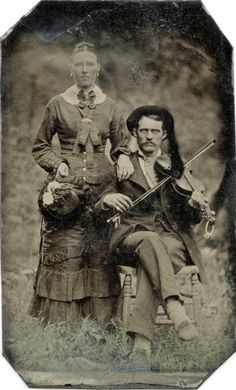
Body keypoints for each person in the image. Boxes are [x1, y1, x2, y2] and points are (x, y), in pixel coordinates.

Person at [94, 105, 209, 369]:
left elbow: (189, 219)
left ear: (164, 135)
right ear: (134, 131)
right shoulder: (122, 163)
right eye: (143, 130)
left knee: (156, 256)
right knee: (150, 241)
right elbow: (97, 205)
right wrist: (107, 199)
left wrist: (194, 205)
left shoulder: (175, 167)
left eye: (154, 131)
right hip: (131, 236)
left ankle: (141, 347)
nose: (148, 136)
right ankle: (175, 307)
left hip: (169, 239)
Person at [28, 41, 134, 325]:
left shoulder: (110, 106)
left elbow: (122, 143)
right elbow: (40, 146)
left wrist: (123, 157)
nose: (85, 69)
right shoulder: (57, 104)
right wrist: (57, 164)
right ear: (70, 70)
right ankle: (62, 327)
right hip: (67, 188)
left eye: (90, 64)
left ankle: (98, 327)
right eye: (79, 65)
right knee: (65, 249)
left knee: (98, 252)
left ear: (98, 69)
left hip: (104, 187)